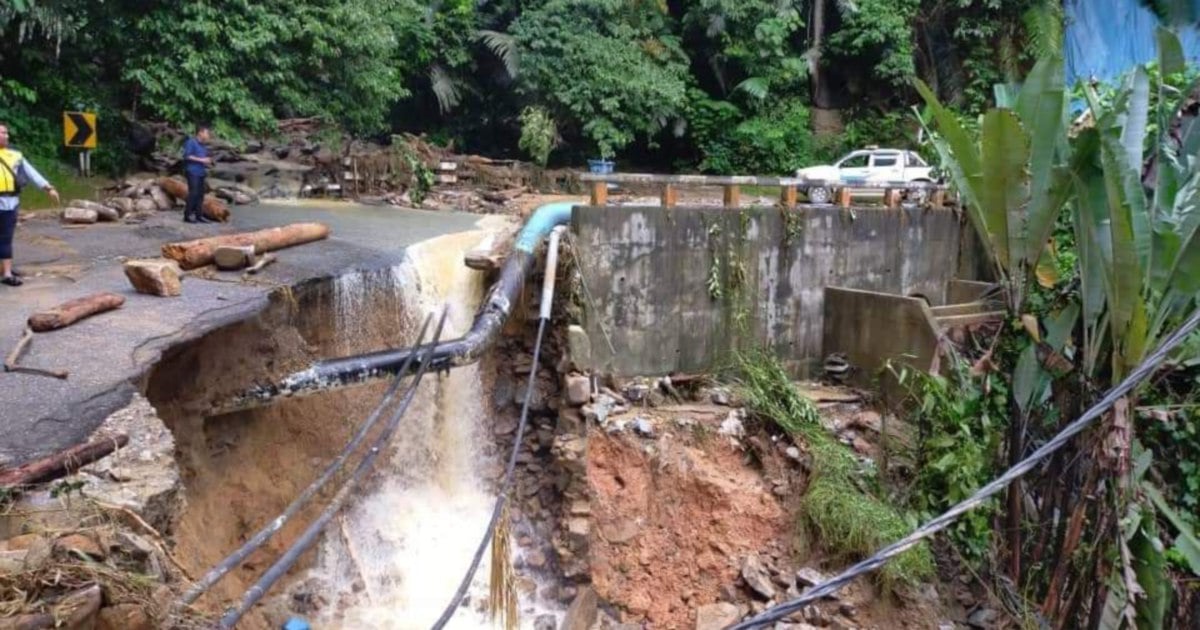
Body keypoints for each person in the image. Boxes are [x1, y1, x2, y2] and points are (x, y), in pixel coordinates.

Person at [0, 123, 59, 287]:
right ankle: (5, 269)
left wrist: (48, 188)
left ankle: (6, 272)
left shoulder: (15, 155)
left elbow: (32, 173)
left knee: (5, 238)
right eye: (2, 133)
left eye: (6, 133)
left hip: (10, 202)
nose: (6, 136)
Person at [182, 123, 216, 224]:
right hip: (192, 171)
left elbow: (202, 159)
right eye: (207, 133)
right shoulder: (191, 142)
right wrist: (202, 160)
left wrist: (208, 162)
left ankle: (199, 215)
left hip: (201, 172)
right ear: (200, 133)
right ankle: (187, 215)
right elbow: (187, 156)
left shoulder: (203, 145)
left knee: (200, 195)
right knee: (193, 193)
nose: (208, 135)